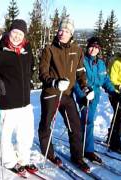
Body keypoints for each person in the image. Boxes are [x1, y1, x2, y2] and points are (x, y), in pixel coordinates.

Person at [0, 19, 38, 175]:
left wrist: (28, 80)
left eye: (20, 34)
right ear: (9, 32)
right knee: (5, 135)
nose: (17, 37)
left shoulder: (27, 48)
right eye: (14, 32)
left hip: (25, 102)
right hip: (5, 101)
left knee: (26, 134)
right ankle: (10, 161)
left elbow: (31, 65)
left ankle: (24, 159)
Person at [38, 17, 92, 173]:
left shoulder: (77, 50)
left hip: (67, 94)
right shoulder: (49, 49)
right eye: (61, 30)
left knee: (75, 125)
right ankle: (48, 153)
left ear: (71, 33)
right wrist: (54, 82)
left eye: (67, 31)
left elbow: (80, 72)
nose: (63, 33)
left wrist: (85, 87)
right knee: (46, 124)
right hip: (51, 93)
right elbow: (43, 73)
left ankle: (77, 157)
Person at [74, 37, 121, 164]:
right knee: (87, 121)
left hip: (95, 96)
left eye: (96, 47)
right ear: (87, 47)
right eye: (91, 46)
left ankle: (83, 145)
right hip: (84, 94)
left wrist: (114, 92)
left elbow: (105, 80)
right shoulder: (81, 60)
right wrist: (83, 94)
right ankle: (86, 150)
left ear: (99, 49)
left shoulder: (101, 64)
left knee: (87, 121)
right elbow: (75, 80)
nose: (93, 49)